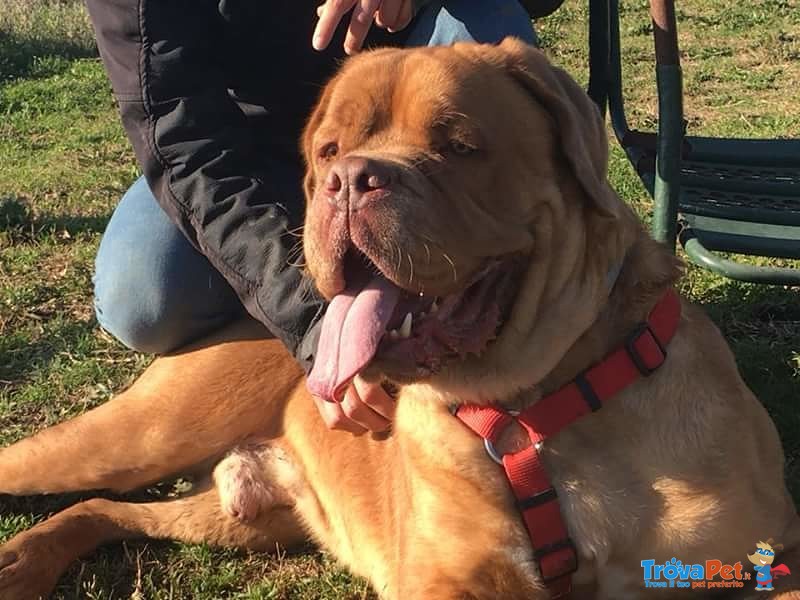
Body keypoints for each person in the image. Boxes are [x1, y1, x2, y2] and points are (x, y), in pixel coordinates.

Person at [86, 0, 536, 434]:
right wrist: (312, 322)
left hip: (414, 126)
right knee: (143, 296)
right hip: (247, 147)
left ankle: (510, 282)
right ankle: (354, 306)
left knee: (482, 22)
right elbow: (183, 141)